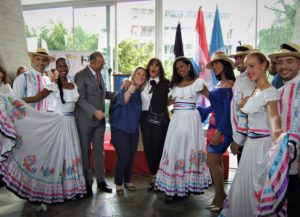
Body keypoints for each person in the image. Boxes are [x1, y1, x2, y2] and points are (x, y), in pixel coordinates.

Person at [0, 57, 86, 205]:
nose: (62, 68)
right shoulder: (52, 85)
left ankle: (70, 188)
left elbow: (78, 105)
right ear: (56, 69)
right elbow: (34, 98)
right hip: (59, 123)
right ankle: (54, 189)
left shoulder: (74, 85)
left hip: (71, 124)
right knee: (58, 155)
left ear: (68, 66)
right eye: (59, 66)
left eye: (64, 65)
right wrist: (10, 100)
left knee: (70, 154)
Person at [220, 50, 285, 217]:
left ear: (264, 65)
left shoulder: (270, 92)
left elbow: (274, 117)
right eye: (246, 66)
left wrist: (279, 136)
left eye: (252, 66)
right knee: (244, 187)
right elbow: (246, 119)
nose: (248, 70)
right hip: (250, 144)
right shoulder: (254, 91)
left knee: (258, 187)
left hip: (263, 147)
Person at [155, 56, 211, 201]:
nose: (181, 69)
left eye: (182, 66)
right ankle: (172, 187)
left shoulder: (198, 82)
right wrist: (158, 93)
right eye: (178, 68)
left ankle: (185, 186)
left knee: (188, 151)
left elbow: (212, 98)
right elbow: (167, 103)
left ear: (189, 66)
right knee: (174, 150)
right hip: (177, 120)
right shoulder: (175, 85)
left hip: (192, 120)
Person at [198, 52, 235, 212]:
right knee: (217, 162)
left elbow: (227, 112)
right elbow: (215, 106)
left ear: (225, 65)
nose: (215, 67)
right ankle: (219, 197)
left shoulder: (230, 85)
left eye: (218, 64)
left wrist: (219, 132)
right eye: (213, 65)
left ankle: (220, 198)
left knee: (211, 162)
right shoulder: (220, 85)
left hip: (222, 128)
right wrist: (199, 110)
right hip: (213, 125)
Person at [74, 51, 114, 195]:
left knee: (99, 152)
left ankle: (101, 181)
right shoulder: (80, 76)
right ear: (92, 62)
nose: (103, 66)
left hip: (100, 122)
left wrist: (117, 94)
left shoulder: (99, 74)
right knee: (85, 152)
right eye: (101, 64)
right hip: (85, 121)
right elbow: (79, 99)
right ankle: (87, 183)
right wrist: (94, 112)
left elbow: (102, 93)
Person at [268, 42, 300, 217]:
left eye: (289, 61)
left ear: (299, 64)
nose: (284, 66)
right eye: (280, 62)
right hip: (284, 158)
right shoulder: (278, 92)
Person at [109, 67, 147, 195]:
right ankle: (118, 183)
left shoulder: (143, 91)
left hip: (133, 129)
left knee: (131, 157)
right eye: (138, 73)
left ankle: (127, 180)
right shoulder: (127, 85)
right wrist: (130, 91)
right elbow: (123, 101)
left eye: (143, 75)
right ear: (133, 74)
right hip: (120, 127)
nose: (141, 76)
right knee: (123, 156)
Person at [228, 44, 256, 164]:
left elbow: (245, 112)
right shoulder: (240, 78)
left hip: (247, 136)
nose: (238, 60)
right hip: (239, 133)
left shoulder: (251, 79)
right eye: (236, 58)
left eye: (242, 57)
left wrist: (238, 139)